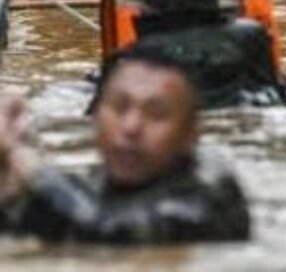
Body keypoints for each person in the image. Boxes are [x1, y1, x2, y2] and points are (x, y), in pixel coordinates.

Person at [0, 44, 250, 243]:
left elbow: (107, 231)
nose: (131, 127)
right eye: (119, 108)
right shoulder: (98, 183)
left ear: (190, 134)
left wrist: (26, 164)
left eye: (156, 113)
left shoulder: (211, 190)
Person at [113, 0, 286, 109]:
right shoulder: (250, 40)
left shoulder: (132, 61)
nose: (140, 13)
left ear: (156, 12)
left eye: (144, 7)